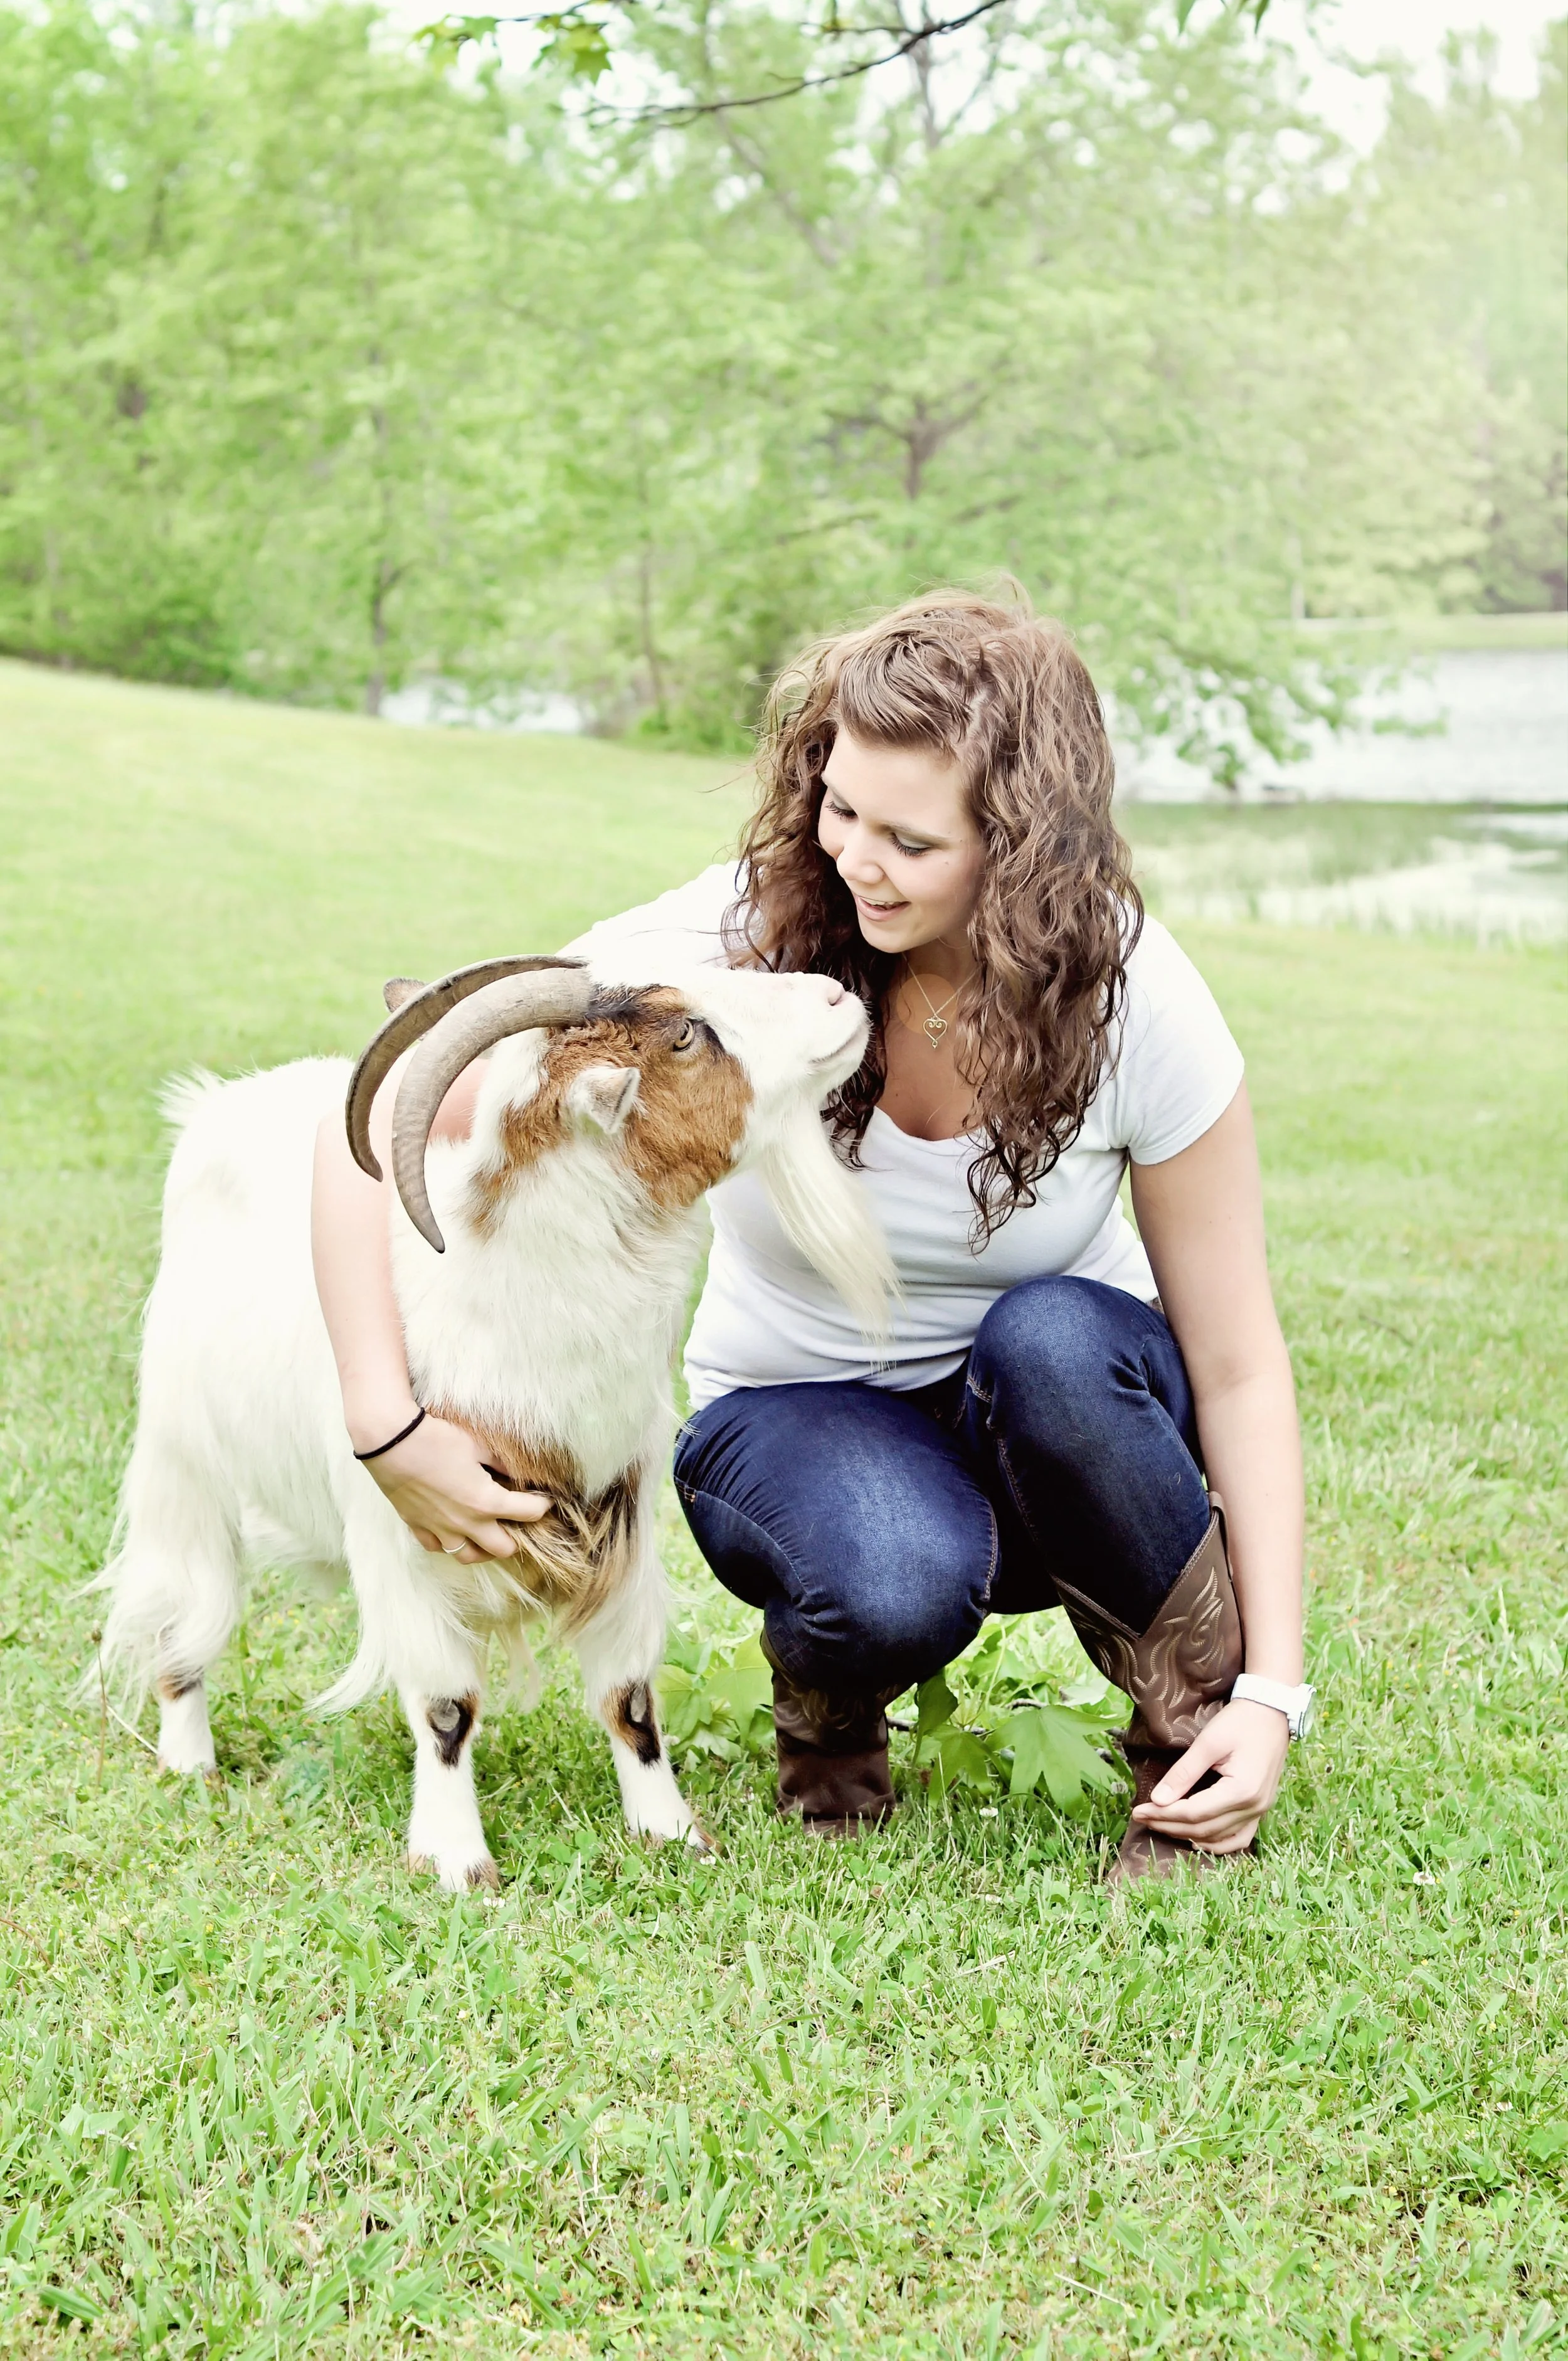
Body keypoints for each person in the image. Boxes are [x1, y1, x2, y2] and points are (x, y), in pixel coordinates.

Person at [312, 592, 1311, 1882]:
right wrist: (383, 1426)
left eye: (911, 836)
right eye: (841, 808)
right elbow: (382, 1106)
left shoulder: (1133, 999)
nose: (857, 860)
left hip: (1056, 1438)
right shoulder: (729, 939)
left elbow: (1235, 1364)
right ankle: (831, 1713)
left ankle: (1186, 1762)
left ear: (1019, 845)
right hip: (803, 1419)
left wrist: (1269, 1690)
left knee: (1052, 1336)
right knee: (894, 1567)